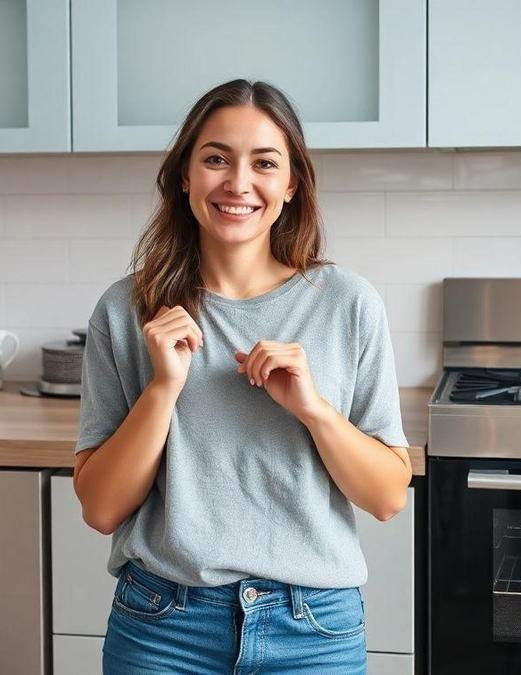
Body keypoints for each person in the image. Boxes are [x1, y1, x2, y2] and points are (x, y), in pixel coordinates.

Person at [72, 79, 412, 674]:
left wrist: (314, 409)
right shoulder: (127, 311)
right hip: (163, 628)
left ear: (291, 184)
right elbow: (101, 509)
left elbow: (385, 497)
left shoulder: (347, 303)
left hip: (313, 632)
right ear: (184, 176)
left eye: (264, 163)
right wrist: (162, 390)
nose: (237, 183)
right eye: (215, 159)